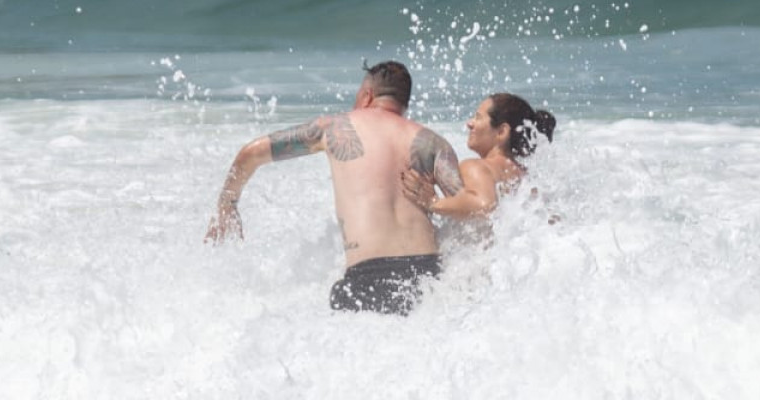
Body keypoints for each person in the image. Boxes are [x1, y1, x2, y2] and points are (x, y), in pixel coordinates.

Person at [205, 60, 464, 315]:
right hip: (429, 277)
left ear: (366, 95)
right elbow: (471, 211)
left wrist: (227, 205)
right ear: (403, 103)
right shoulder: (433, 143)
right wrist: (435, 204)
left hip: (368, 279)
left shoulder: (334, 128)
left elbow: (249, 154)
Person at [400, 91, 555, 220]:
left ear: (502, 132)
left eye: (478, 117)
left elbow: (485, 205)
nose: (470, 123)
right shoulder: (525, 175)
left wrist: (433, 202)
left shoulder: (476, 167)